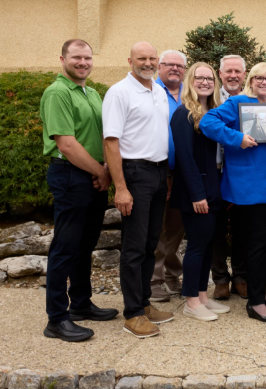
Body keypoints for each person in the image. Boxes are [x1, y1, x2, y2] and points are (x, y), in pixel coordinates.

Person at [40, 39, 119, 342]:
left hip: (94, 176)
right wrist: (101, 171)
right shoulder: (58, 92)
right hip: (72, 175)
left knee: (85, 245)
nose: (83, 62)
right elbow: (67, 144)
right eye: (76, 57)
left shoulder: (92, 92)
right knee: (65, 247)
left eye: (87, 57)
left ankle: (81, 304)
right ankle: (57, 319)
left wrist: (106, 171)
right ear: (62, 58)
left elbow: (103, 135)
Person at [200, 63, 266, 323]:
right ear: (251, 80)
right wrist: (237, 138)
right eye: (259, 77)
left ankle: (260, 290)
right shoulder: (237, 103)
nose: (264, 82)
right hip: (248, 186)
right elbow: (207, 122)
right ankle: (255, 303)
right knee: (256, 243)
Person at [103, 42, 175, 338]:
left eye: (152, 58)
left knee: (149, 244)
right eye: (141, 58)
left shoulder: (157, 90)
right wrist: (120, 187)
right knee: (133, 247)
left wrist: (166, 178)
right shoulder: (119, 92)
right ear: (129, 60)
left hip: (158, 173)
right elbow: (110, 142)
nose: (147, 63)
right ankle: (132, 313)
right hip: (134, 173)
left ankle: (144, 304)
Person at [169, 62, 231, 321]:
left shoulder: (214, 112)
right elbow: (185, 158)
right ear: (190, 81)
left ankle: (203, 296)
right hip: (197, 189)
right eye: (200, 78)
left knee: (207, 245)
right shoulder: (183, 114)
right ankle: (191, 301)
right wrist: (197, 194)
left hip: (214, 184)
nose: (205, 82)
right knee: (196, 246)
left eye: (209, 79)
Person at [150, 50, 187, 303]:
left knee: (176, 228)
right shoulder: (150, 91)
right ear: (159, 67)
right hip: (157, 169)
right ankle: (154, 279)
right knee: (157, 228)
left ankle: (173, 274)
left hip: (185, 172)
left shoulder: (190, 93)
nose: (174, 68)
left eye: (179, 65)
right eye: (169, 64)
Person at [212, 55, 248, 301]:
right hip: (215, 170)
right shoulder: (210, 99)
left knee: (241, 226)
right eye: (229, 71)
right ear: (220, 74)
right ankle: (220, 278)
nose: (233, 75)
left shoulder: (252, 101)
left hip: (240, 172)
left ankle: (241, 277)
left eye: (238, 71)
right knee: (215, 226)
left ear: (244, 75)